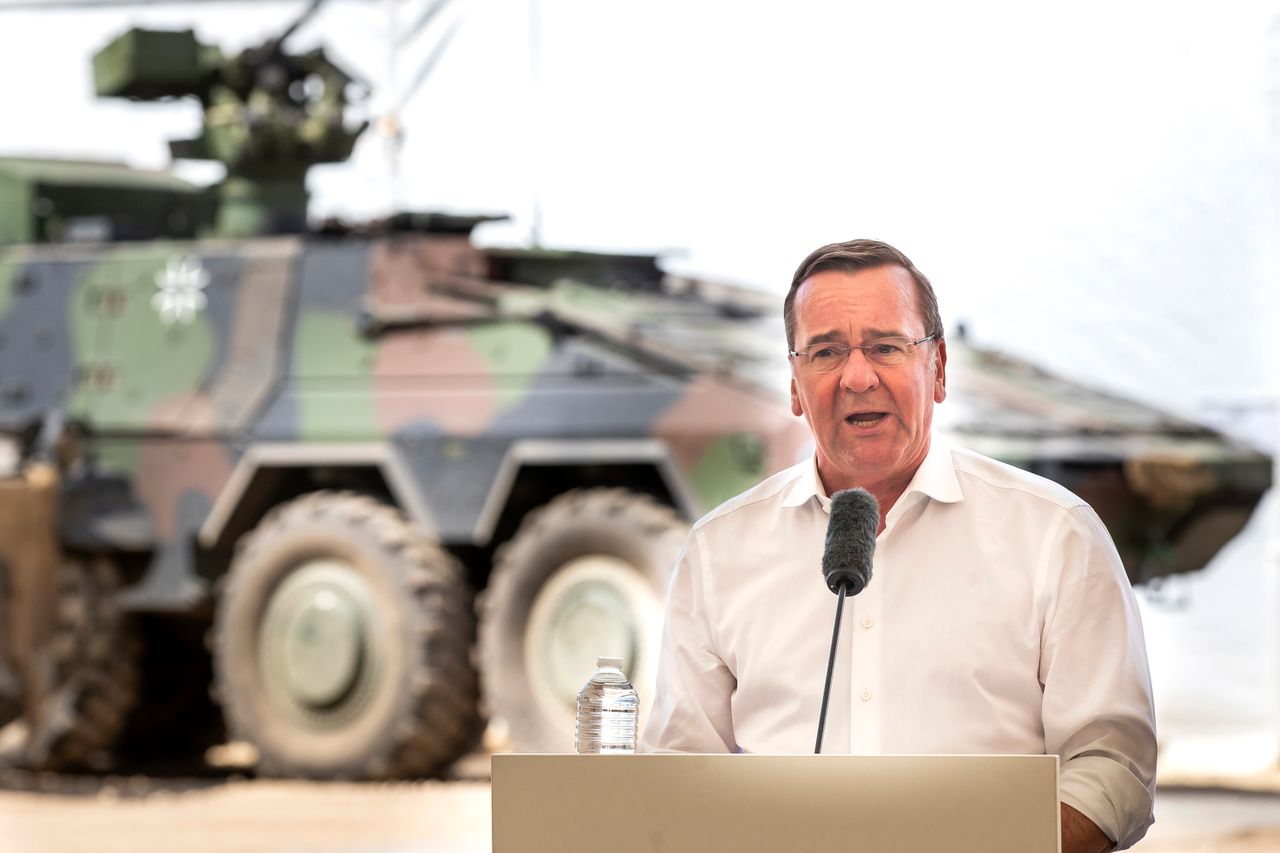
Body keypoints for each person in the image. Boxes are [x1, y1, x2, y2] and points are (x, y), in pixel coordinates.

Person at [640, 239, 1157, 852]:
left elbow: (1110, 767)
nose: (857, 377)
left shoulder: (1055, 533)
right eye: (826, 352)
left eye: (886, 347)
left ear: (938, 369)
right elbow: (677, 777)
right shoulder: (718, 552)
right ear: (795, 386)